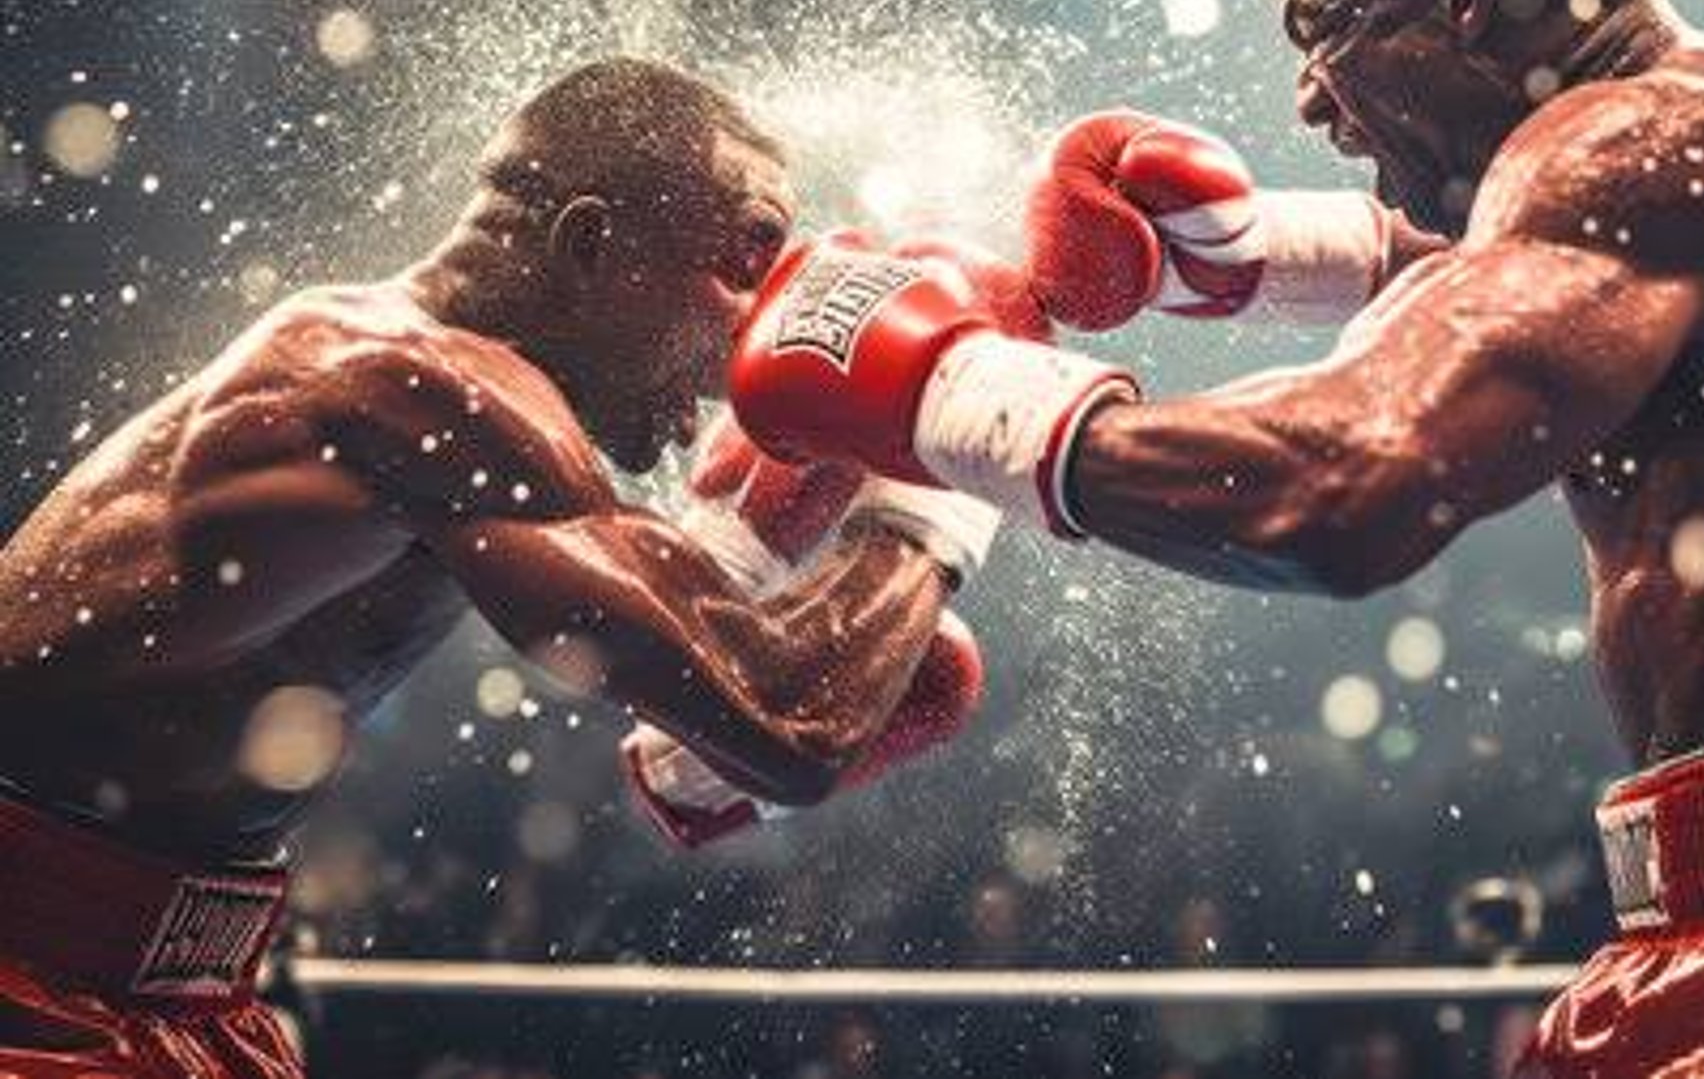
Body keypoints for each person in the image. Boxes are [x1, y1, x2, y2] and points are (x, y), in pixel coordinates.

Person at [726, 0, 1704, 1076]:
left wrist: (944, 389)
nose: (1307, 96)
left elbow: (1345, 486)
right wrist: (1237, 257)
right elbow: (1514, 273)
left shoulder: (1635, 146)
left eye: (1325, 28)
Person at [0, 57, 1002, 1078]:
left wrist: (797, 514)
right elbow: (785, 717)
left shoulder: (452, 408)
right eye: (742, 261)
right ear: (590, 244)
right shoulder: (424, 387)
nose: (748, 333)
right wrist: (946, 466)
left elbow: (718, 666)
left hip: (159, 986)